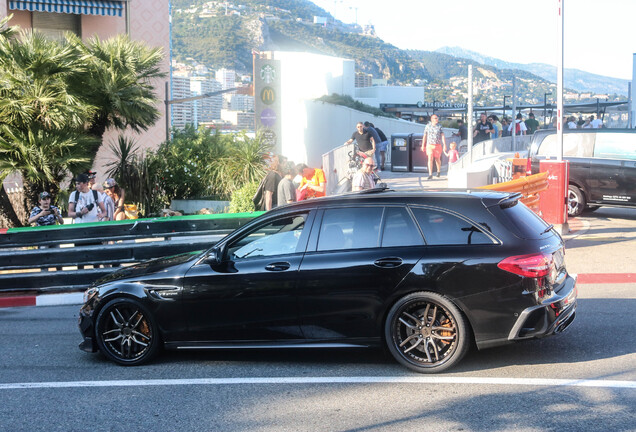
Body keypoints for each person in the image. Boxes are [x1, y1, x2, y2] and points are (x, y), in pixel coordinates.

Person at [421, 114, 446, 180]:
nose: (437, 119)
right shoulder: (427, 126)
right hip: (429, 145)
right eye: (435, 118)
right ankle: (430, 174)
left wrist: (444, 145)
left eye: (437, 118)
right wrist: (423, 145)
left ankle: (438, 171)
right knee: (430, 158)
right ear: (432, 119)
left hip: (437, 145)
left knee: (437, 159)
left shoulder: (439, 126)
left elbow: (442, 135)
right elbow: (425, 136)